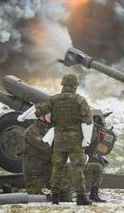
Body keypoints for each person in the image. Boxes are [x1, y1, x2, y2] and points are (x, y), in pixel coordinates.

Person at [35, 74, 93, 205]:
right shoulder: (80, 100)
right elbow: (88, 121)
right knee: (77, 168)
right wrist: (87, 140)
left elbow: (38, 112)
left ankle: (55, 196)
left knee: (57, 167)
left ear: (63, 85)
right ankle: (81, 197)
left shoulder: (53, 100)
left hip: (59, 140)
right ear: (75, 86)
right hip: (75, 141)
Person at [22, 118, 52, 194]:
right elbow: (44, 146)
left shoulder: (48, 130)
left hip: (47, 171)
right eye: (49, 114)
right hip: (35, 173)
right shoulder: (31, 131)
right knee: (36, 197)